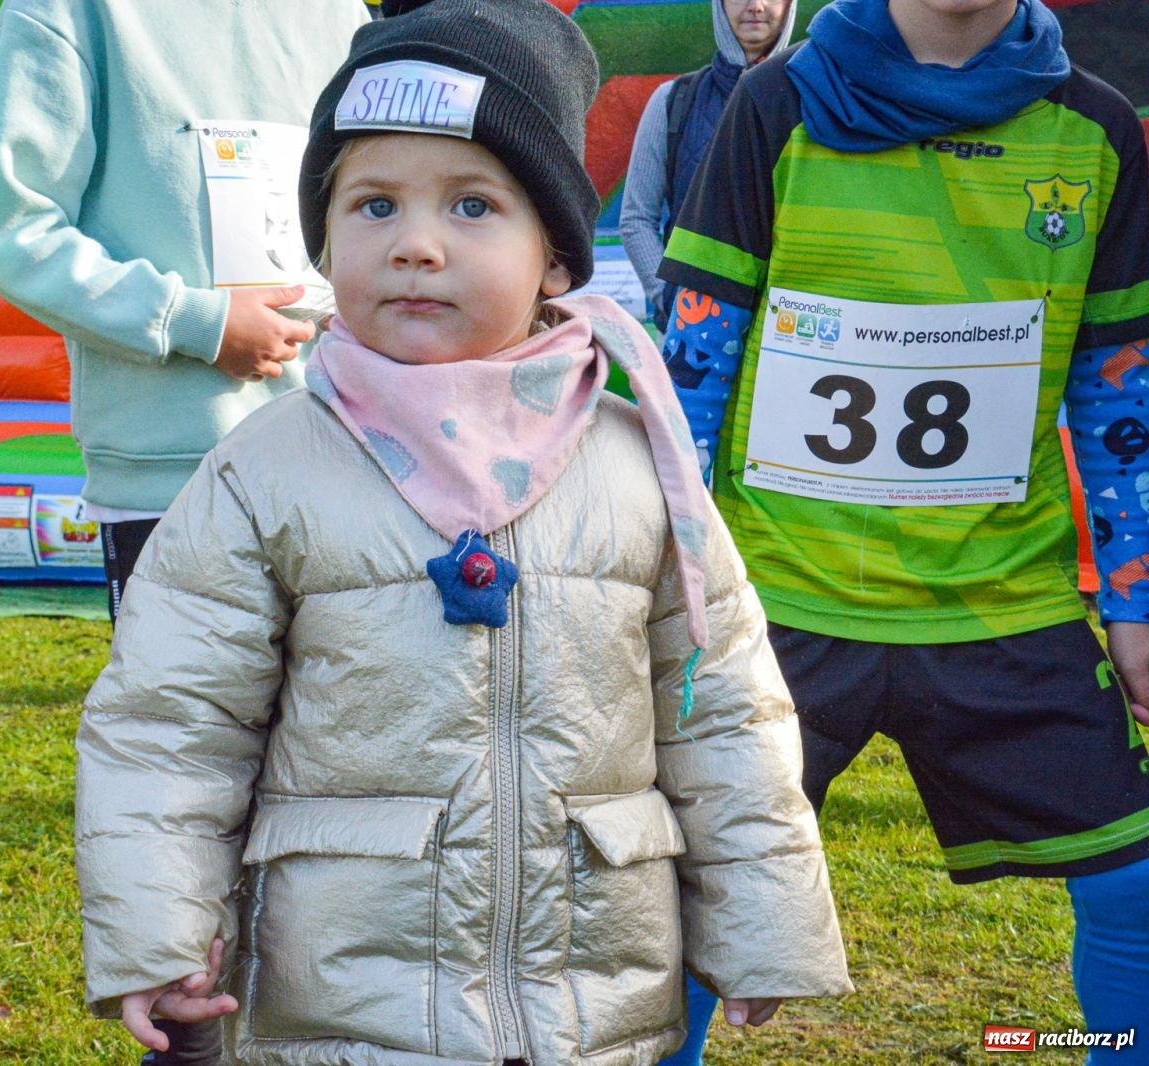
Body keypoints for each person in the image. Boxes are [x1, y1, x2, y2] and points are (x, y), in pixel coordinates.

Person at [74, 2, 851, 1063]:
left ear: (556, 259)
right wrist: (157, 933)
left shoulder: (639, 464)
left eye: (474, 205)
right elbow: (170, 725)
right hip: (348, 1006)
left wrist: (764, 919)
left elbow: (720, 707)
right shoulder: (262, 476)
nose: (417, 245)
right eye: (374, 203)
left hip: (594, 1000)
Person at [656, 0, 1149, 1058]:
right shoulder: (772, 103)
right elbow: (692, 356)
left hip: (1001, 606)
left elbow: (1119, 388)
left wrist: (1134, 597)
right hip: (775, 606)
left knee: (1137, 886)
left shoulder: (1098, 131)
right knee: (684, 889)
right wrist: (671, 576)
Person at [0, 0, 370, 631]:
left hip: (343, 457)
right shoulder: (70, 12)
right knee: (179, 726)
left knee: (337, 725)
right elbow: (14, 230)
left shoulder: (339, 14)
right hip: (169, 476)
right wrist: (194, 323)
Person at [620, 0, 798, 332]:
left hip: (786, 336)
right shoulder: (673, 99)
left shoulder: (813, 100)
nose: (755, 6)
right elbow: (636, 219)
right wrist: (673, 301)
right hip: (693, 337)